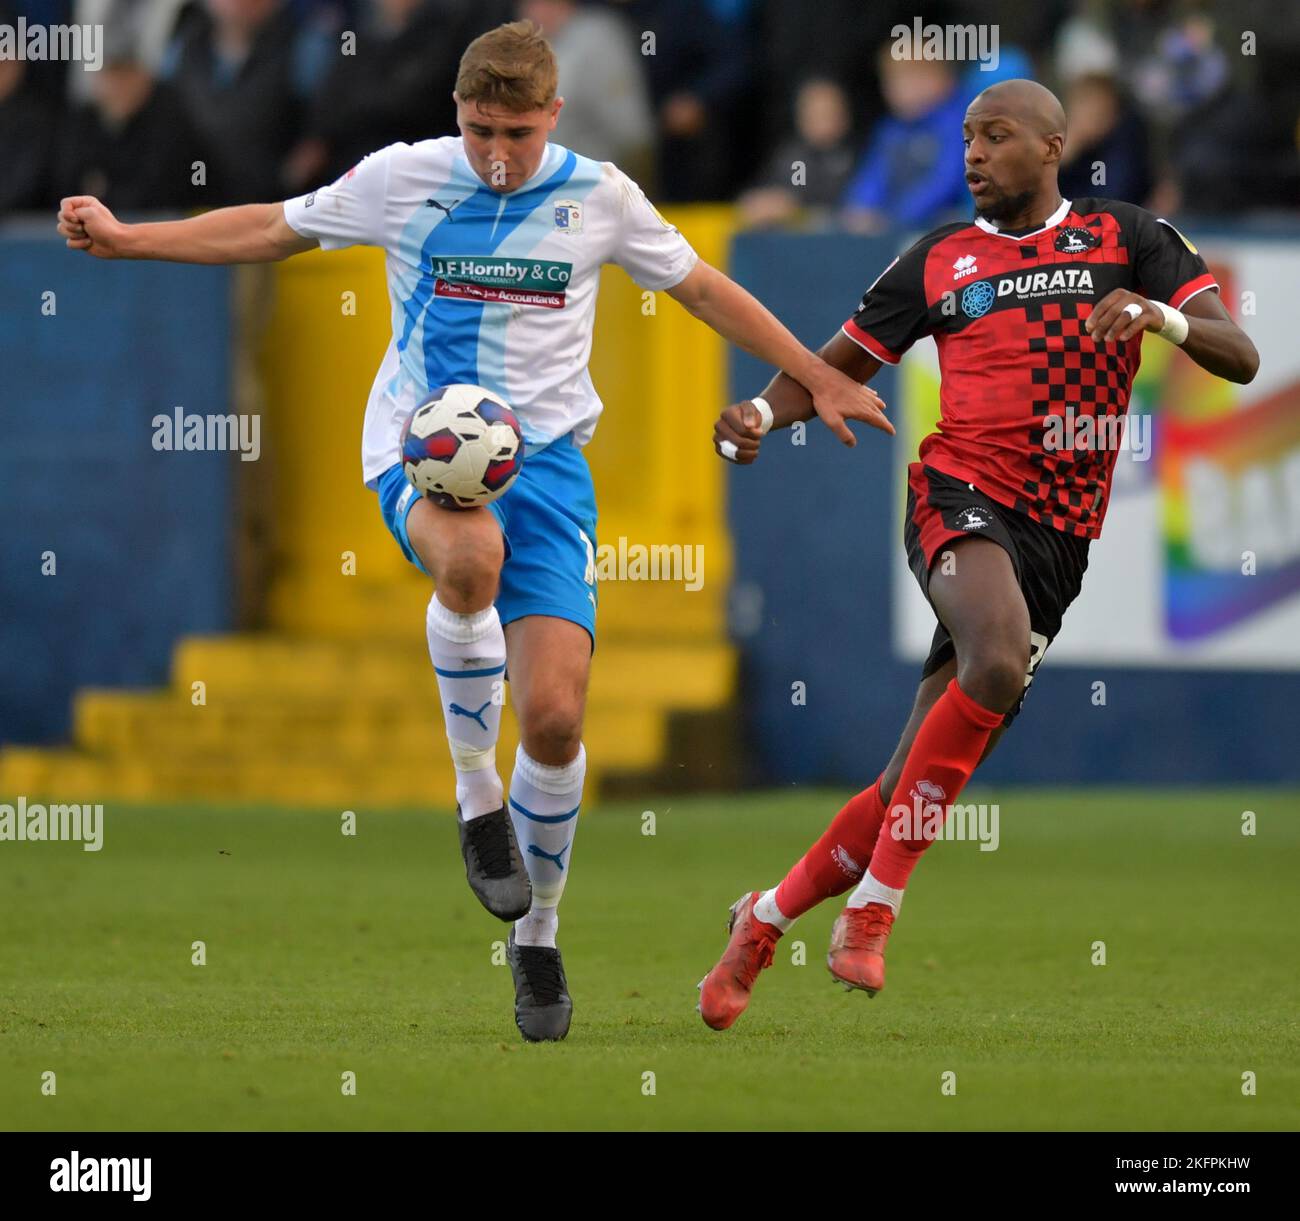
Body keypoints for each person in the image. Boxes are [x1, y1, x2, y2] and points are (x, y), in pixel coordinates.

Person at [58, 19, 889, 1043]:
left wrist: (816, 376)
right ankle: (473, 794)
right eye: (480, 128)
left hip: (544, 466)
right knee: (469, 557)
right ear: (457, 113)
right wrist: (134, 236)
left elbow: (705, 290)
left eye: (517, 133)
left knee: (553, 715)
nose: (497, 152)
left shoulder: (600, 197)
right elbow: (273, 227)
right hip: (425, 446)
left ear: (554, 115)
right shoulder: (404, 177)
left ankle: (535, 935)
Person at [701, 78, 1258, 1030]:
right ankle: (874, 911)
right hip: (958, 494)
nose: (972, 154)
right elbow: (835, 366)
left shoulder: (1128, 237)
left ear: (1052, 147)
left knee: (906, 781)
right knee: (995, 658)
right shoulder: (937, 261)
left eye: (994, 137)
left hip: (1058, 538)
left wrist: (1161, 317)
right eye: (965, 137)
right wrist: (758, 412)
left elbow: (1239, 356)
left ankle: (764, 917)